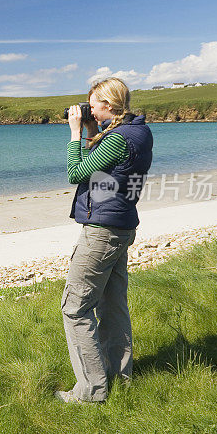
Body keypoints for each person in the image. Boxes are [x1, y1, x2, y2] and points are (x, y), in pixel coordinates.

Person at [55, 77, 153, 404]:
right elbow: (103, 170)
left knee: (74, 308)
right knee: (112, 304)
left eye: (94, 105)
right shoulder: (136, 131)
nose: (90, 110)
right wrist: (90, 130)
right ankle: (119, 376)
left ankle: (91, 391)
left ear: (108, 106)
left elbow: (76, 172)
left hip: (103, 231)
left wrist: (73, 133)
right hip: (121, 226)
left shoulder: (118, 138)